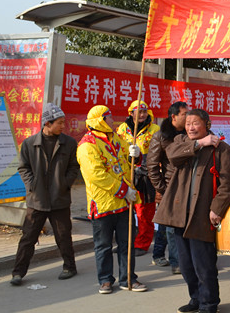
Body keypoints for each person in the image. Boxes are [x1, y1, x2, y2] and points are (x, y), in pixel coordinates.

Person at [155, 109, 230, 313]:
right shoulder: (180, 142)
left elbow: (228, 185)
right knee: (185, 262)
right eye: (188, 123)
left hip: (202, 214)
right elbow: (172, 156)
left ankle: (209, 302)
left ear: (207, 124)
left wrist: (217, 209)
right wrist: (200, 144)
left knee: (203, 262)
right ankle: (196, 298)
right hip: (179, 213)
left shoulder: (222, 149)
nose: (190, 127)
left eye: (195, 123)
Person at [77, 105, 147, 294]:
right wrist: (124, 190)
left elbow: (128, 158)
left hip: (124, 204)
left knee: (127, 243)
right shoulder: (87, 145)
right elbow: (96, 175)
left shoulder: (115, 138)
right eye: (108, 118)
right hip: (102, 204)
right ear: (100, 120)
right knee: (103, 245)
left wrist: (136, 154)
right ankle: (106, 279)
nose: (112, 120)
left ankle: (128, 278)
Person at [11, 103, 80, 286]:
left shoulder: (69, 143)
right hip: (37, 199)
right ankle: (18, 273)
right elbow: (23, 167)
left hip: (60, 198)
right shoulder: (29, 143)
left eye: (63, 122)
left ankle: (69, 267)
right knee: (28, 238)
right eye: (59, 122)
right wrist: (31, 185)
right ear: (47, 123)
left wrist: (65, 183)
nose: (63, 126)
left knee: (64, 236)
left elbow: (74, 167)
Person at [145, 101, 187, 274]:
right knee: (170, 228)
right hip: (170, 188)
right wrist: (163, 189)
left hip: (188, 187)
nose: (188, 117)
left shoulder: (190, 133)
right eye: (184, 114)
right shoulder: (160, 136)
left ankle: (187, 258)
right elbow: (152, 167)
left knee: (187, 226)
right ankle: (176, 262)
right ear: (174, 117)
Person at [117, 100, 160, 256]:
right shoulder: (122, 129)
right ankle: (125, 242)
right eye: (139, 111)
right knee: (125, 212)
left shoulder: (155, 129)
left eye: (144, 111)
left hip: (145, 176)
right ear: (131, 113)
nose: (142, 115)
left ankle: (142, 243)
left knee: (144, 213)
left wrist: (142, 158)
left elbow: (158, 153)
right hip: (127, 175)